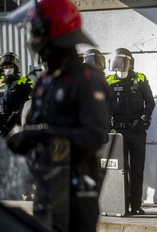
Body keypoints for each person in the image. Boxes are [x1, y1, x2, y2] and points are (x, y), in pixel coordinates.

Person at [6, 0, 110, 231]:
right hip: (45, 190)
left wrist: (42, 134)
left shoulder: (87, 79)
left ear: (54, 35)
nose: (33, 42)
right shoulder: (45, 80)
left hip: (76, 194)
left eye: (36, 34)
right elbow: (33, 128)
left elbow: (94, 137)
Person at [107, 48, 155, 215]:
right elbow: (103, 106)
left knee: (137, 170)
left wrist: (144, 117)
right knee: (119, 170)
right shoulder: (109, 81)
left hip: (137, 131)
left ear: (129, 62)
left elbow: (150, 102)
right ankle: (121, 204)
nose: (118, 67)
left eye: (122, 63)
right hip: (118, 132)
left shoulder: (140, 78)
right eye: (116, 63)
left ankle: (135, 205)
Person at [0, 52, 32, 136]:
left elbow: (31, 102)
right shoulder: (0, 84)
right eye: (5, 67)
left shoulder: (24, 81)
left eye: (11, 66)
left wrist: (19, 114)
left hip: (19, 126)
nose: (8, 69)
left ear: (16, 67)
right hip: (2, 128)